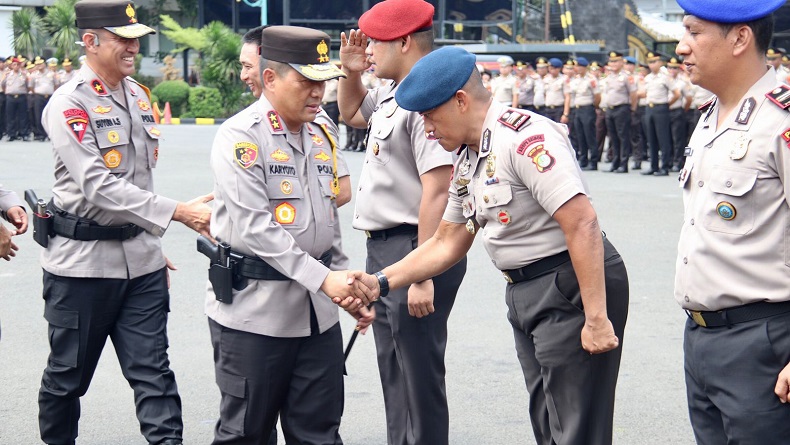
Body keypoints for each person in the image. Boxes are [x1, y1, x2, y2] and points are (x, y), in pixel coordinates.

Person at [337, 46, 629, 445]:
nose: (426, 129)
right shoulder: (469, 156)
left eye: (429, 116)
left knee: (577, 427)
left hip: (570, 283)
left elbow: (581, 222)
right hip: (526, 288)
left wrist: (596, 317)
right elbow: (448, 239)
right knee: (549, 419)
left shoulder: (525, 137)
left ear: (460, 101)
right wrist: (381, 282)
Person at [37, 1, 215, 444]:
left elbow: (139, 181)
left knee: (154, 375)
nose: (134, 45)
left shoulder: (137, 94)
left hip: (141, 263)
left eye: (136, 37)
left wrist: (147, 238)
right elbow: (98, 186)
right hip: (82, 267)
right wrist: (178, 212)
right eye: (123, 37)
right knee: (66, 378)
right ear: (91, 41)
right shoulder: (69, 103)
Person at [205, 25, 373, 444]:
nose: (318, 93)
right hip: (254, 317)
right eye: (307, 81)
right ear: (270, 78)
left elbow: (326, 220)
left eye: (324, 81)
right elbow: (257, 228)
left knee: (318, 434)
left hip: (317, 317)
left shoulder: (323, 132)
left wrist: (344, 288)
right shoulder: (240, 136)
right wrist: (326, 281)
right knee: (246, 434)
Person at [337, 1, 467, 443]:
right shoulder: (397, 93)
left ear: (406, 41)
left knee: (417, 377)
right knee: (395, 372)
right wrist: (352, 73)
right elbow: (351, 113)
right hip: (388, 248)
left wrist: (422, 274)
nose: (368, 49)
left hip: (416, 248)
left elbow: (439, 188)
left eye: (375, 41)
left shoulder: (427, 96)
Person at [674, 0, 790, 442]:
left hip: (763, 342)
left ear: (740, 38)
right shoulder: (710, 117)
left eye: (694, 32)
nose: (682, 47)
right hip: (702, 337)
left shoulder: (780, 120)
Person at [639, 52, 680, 176]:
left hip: (661, 108)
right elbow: (644, 93)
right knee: (651, 139)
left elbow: (676, 93)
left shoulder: (665, 77)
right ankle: (654, 166)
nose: (652, 65)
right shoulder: (648, 78)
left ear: (660, 63)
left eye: (654, 62)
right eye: (650, 62)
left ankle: (665, 166)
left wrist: (667, 104)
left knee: (663, 139)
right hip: (649, 108)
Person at [602, 52, 636, 173]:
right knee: (613, 137)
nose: (613, 64)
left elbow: (633, 93)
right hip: (610, 109)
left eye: (616, 61)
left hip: (622, 108)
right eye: (611, 61)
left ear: (622, 62)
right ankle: (615, 163)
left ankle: (623, 163)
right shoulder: (609, 76)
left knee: (623, 137)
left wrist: (632, 108)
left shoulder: (626, 76)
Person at [570, 57, 601, 170]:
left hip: (587, 108)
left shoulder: (591, 79)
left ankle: (593, 161)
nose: (576, 68)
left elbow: (597, 96)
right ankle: (583, 160)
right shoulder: (576, 79)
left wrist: (595, 107)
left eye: (578, 66)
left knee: (590, 135)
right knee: (580, 135)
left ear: (584, 67)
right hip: (577, 109)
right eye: (576, 66)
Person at [1, 57, 29, 141]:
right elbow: (3, 85)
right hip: (10, 97)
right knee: (10, 116)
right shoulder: (7, 74)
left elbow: (28, 85)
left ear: (20, 65)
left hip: (21, 96)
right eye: (14, 64)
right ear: (12, 66)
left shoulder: (24, 74)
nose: (16, 66)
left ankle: (24, 134)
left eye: (18, 64)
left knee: (23, 116)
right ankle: (11, 134)